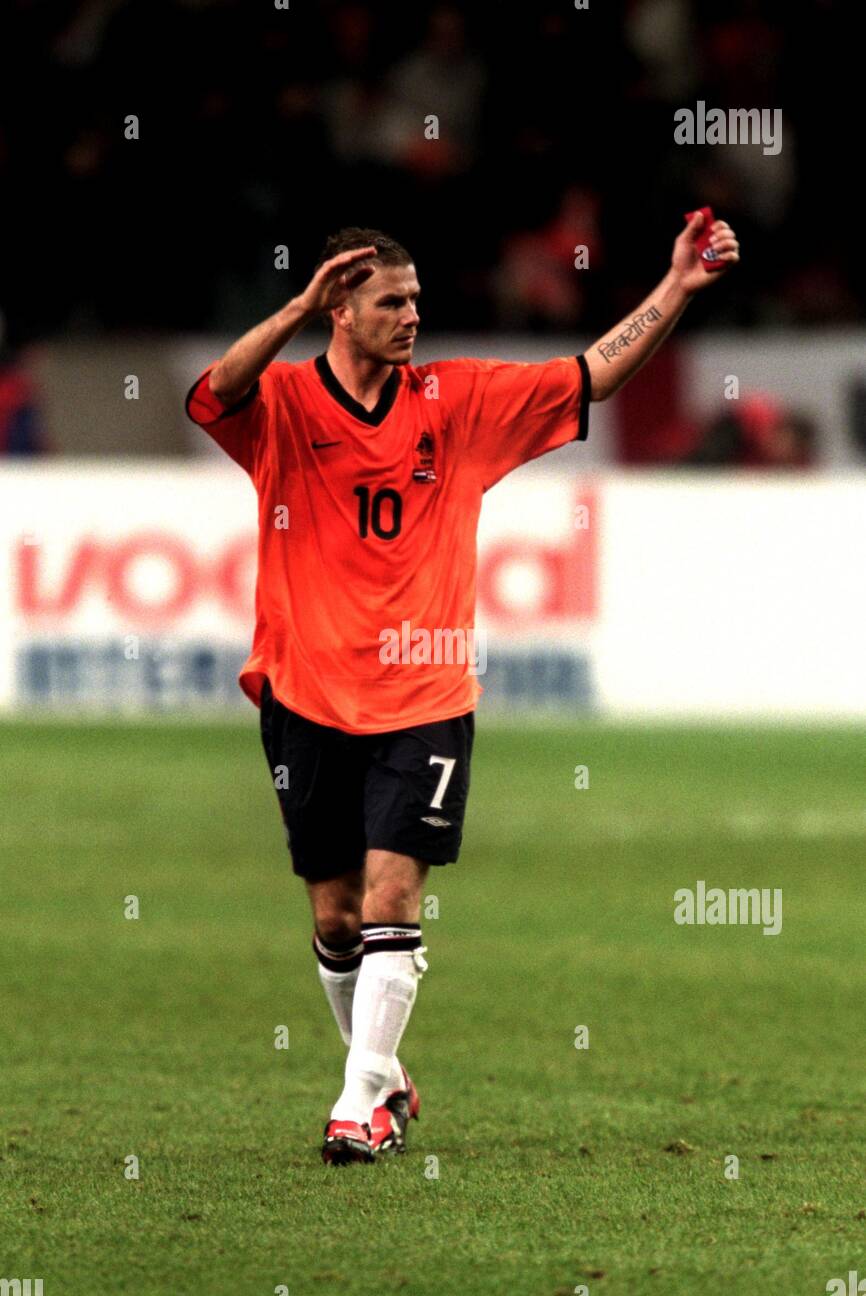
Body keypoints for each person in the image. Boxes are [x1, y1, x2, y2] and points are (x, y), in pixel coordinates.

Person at [185, 214, 739, 1164]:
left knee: (395, 892)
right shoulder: (280, 405)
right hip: (305, 687)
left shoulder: (460, 400)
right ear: (340, 311)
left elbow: (590, 371)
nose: (411, 317)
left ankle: (359, 1103)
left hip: (427, 690)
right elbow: (213, 392)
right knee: (335, 914)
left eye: (416, 301)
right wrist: (291, 307)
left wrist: (676, 288)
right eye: (390, 302)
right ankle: (384, 1075)